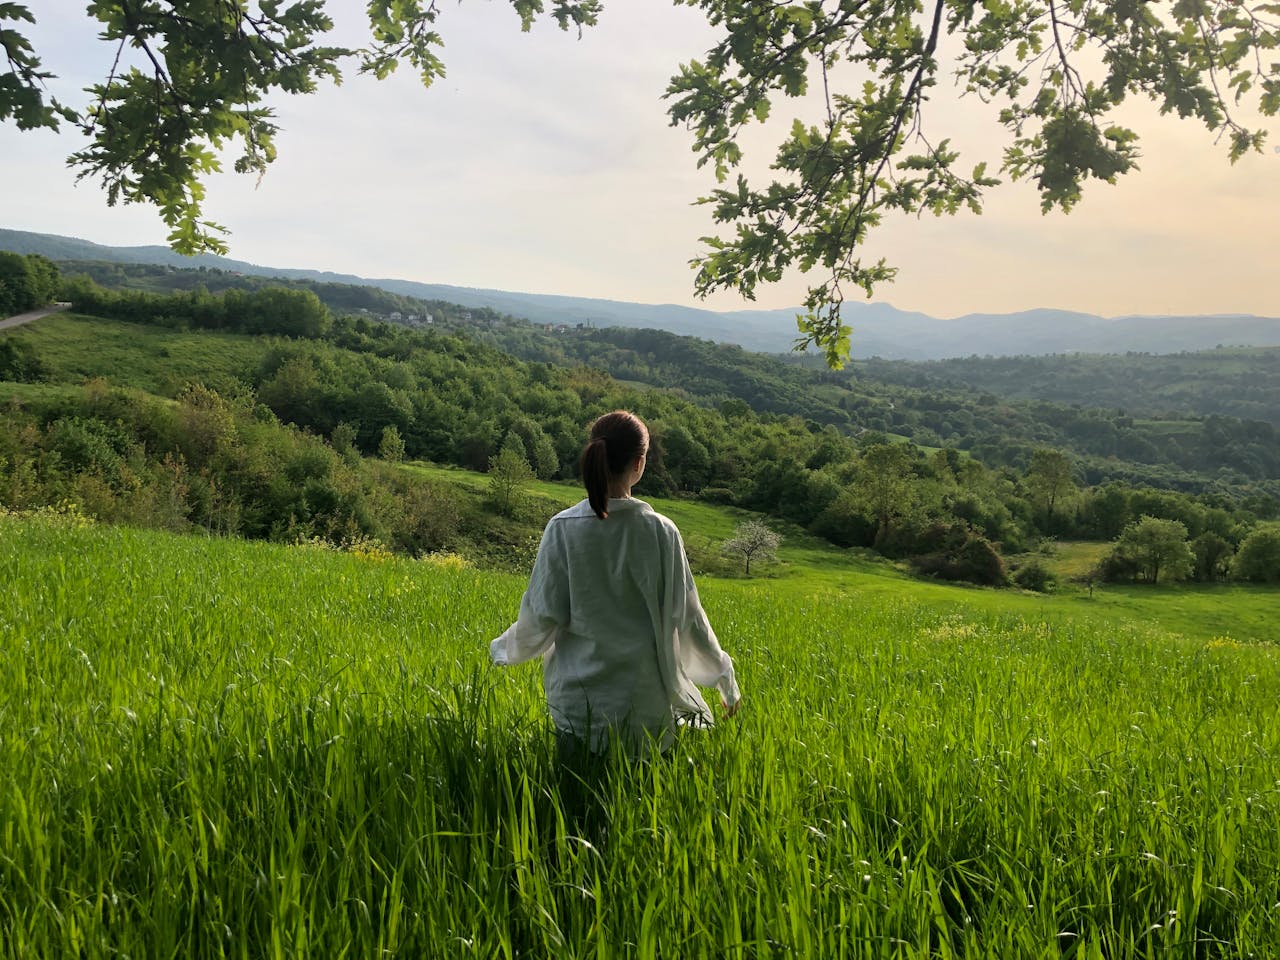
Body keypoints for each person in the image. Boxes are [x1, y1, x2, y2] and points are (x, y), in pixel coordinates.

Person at [489, 410, 741, 757]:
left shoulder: (562, 528)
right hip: (646, 707)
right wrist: (724, 676)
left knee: (573, 803)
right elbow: (689, 619)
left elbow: (541, 614)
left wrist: (503, 650)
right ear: (639, 463)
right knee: (641, 803)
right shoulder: (661, 532)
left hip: (579, 706)